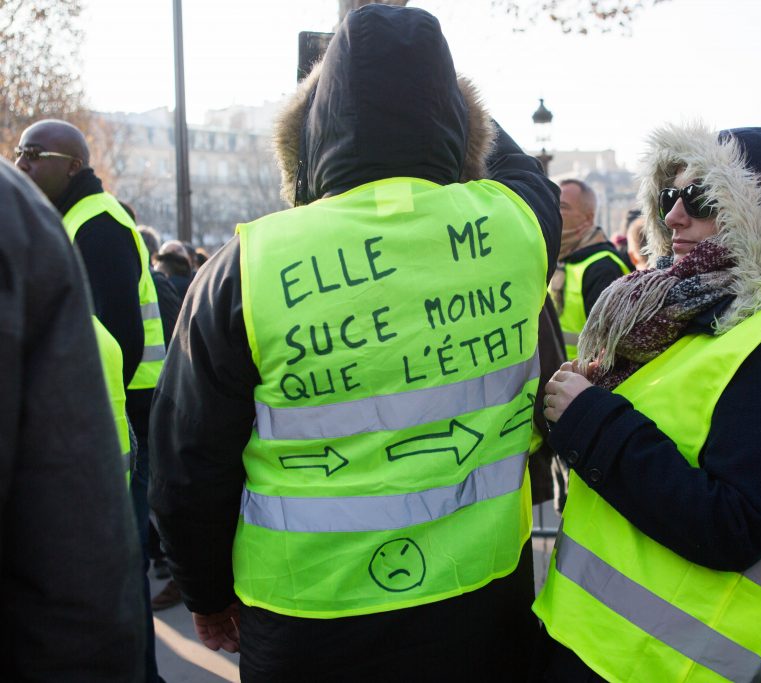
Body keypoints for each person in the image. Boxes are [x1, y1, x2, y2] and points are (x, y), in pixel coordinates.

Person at [149, 5, 560, 681]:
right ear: (458, 123)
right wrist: (445, 93)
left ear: (312, 128)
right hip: (480, 604)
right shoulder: (516, 229)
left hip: (307, 620)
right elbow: (519, 169)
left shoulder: (243, 268)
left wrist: (206, 592)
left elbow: (187, 463)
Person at [533, 123, 761, 682]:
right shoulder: (680, 312)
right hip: (592, 638)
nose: (675, 216)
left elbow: (733, 524)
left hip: (677, 663)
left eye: (701, 199)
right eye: (668, 197)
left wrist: (589, 419)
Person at [16, 118, 166, 682]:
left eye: (35, 153)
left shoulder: (96, 224)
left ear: (72, 166)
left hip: (123, 420)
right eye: (19, 151)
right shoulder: (69, 220)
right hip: (116, 416)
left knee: (119, 573)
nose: (22, 162)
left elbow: (115, 339)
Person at [549, 178, 630, 358]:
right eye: (552, 204)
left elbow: (609, 348)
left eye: (563, 206)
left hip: (581, 380)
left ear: (589, 217)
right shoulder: (558, 259)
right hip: (559, 378)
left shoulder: (604, 267)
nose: (554, 211)